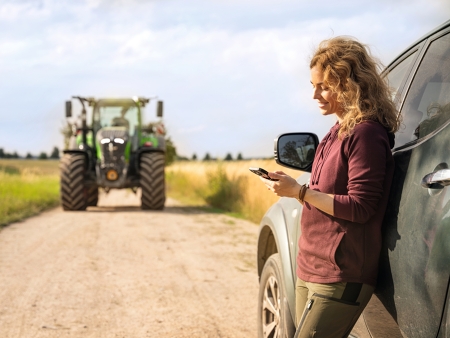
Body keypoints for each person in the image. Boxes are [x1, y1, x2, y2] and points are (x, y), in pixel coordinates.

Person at [261, 36, 400, 337]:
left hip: (340, 273)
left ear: (350, 83)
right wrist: (291, 189)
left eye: (323, 86)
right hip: (310, 267)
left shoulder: (366, 135)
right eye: (313, 85)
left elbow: (360, 207)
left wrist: (299, 191)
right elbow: (325, 201)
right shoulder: (335, 133)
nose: (315, 95)